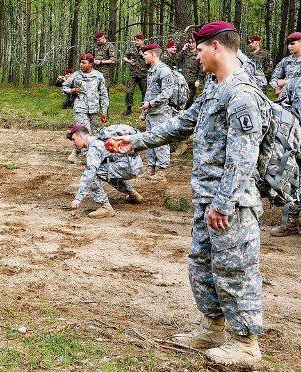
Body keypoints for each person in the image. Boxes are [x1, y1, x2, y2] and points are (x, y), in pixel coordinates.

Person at [112, 21, 269, 365]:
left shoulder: (241, 94)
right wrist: (134, 142)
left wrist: (223, 203)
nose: (195, 55)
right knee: (202, 264)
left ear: (216, 47)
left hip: (230, 204)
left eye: (199, 49)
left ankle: (246, 343)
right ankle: (212, 328)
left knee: (235, 269)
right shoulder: (214, 88)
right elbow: (183, 123)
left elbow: (244, 158)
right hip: (207, 199)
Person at [270, 44, 301, 241]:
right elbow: (281, 108)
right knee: (292, 181)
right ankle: (290, 222)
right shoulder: (295, 83)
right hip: (297, 144)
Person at [67, 125, 143, 218]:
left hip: (128, 167)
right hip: (134, 164)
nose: (73, 143)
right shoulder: (98, 140)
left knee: (94, 174)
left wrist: (78, 199)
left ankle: (106, 207)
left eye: (73, 139)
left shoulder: (93, 148)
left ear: (81, 136)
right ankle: (133, 195)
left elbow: (89, 174)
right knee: (106, 172)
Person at [62, 53, 109, 163]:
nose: (81, 65)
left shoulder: (98, 76)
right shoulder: (76, 75)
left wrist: (104, 111)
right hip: (80, 108)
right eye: (80, 62)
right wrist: (71, 91)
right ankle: (90, 157)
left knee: (90, 133)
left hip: (94, 109)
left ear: (91, 64)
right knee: (84, 132)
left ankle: (75, 152)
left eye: (84, 63)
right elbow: (64, 86)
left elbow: (103, 94)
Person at [140, 43, 174, 179]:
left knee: (160, 140)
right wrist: (145, 108)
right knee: (150, 140)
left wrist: (151, 103)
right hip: (151, 113)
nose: (144, 57)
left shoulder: (164, 70)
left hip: (161, 113)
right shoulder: (151, 70)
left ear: (154, 54)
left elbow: (167, 92)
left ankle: (161, 170)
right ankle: (151, 167)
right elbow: (150, 92)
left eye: (146, 54)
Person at [123, 34, 149, 116]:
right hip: (133, 74)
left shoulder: (147, 49)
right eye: (135, 40)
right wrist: (129, 61)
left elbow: (151, 59)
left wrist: (143, 55)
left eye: (138, 40)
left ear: (142, 40)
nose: (136, 42)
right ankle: (129, 108)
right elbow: (124, 57)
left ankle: (144, 109)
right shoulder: (132, 49)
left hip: (144, 74)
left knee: (145, 93)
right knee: (129, 91)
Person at [177, 36, 203, 108]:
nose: (191, 44)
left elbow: (201, 68)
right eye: (189, 42)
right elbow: (177, 58)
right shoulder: (185, 52)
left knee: (190, 99)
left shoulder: (198, 53)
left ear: (196, 43)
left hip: (193, 81)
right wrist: (183, 49)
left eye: (193, 42)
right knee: (182, 98)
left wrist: (198, 79)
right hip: (184, 80)